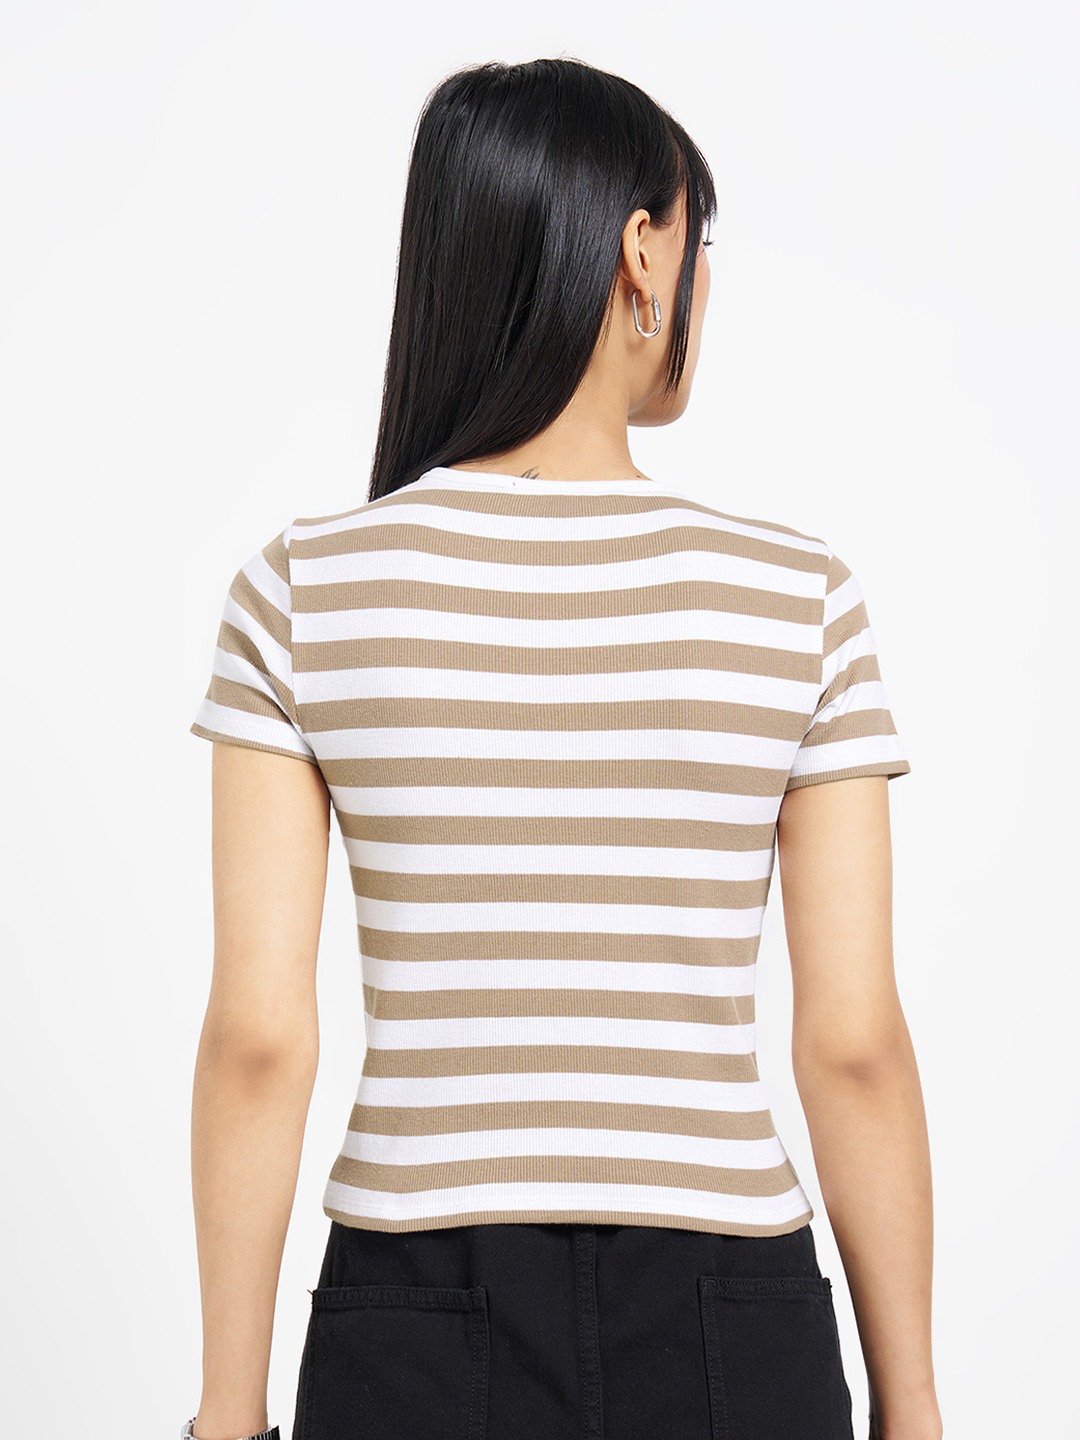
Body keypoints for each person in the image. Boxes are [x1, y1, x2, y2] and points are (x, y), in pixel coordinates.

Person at [184, 56, 941, 1440]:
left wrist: (227, 1415)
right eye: (698, 242)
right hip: (731, 1321)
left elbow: (258, 1039)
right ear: (642, 253)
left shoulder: (301, 592)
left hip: (414, 1313)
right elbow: (853, 1046)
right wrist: (919, 1409)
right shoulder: (799, 597)